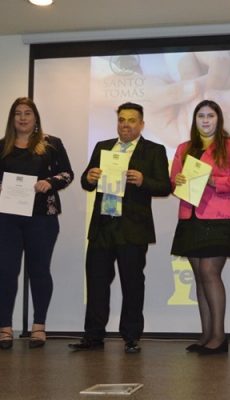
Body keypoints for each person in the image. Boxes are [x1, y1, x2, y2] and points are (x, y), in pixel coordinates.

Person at [68, 102, 171, 354]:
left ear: (142, 124)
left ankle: (131, 336)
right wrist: (89, 177)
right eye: (122, 119)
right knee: (96, 282)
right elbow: (86, 181)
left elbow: (165, 186)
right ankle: (93, 336)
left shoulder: (154, 150)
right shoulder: (103, 147)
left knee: (132, 283)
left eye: (132, 120)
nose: (125, 124)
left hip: (133, 228)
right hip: (103, 226)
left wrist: (144, 180)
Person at [170, 99, 230, 355]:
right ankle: (206, 335)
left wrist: (214, 181)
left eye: (211, 116)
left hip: (221, 217)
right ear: (195, 120)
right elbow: (173, 179)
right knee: (199, 277)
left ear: (219, 119)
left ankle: (219, 336)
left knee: (209, 272)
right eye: (201, 116)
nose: (206, 121)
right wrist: (177, 180)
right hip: (191, 217)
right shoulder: (184, 148)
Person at [0, 97, 73, 350]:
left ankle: (39, 326)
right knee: (6, 272)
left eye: (27, 113)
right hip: (7, 219)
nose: (22, 117)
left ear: (35, 117)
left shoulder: (51, 144)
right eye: (17, 113)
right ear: (12, 119)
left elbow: (67, 174)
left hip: (42, 217)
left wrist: (50, 182)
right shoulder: (2, 146)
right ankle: (5, 327)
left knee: (39, 270)